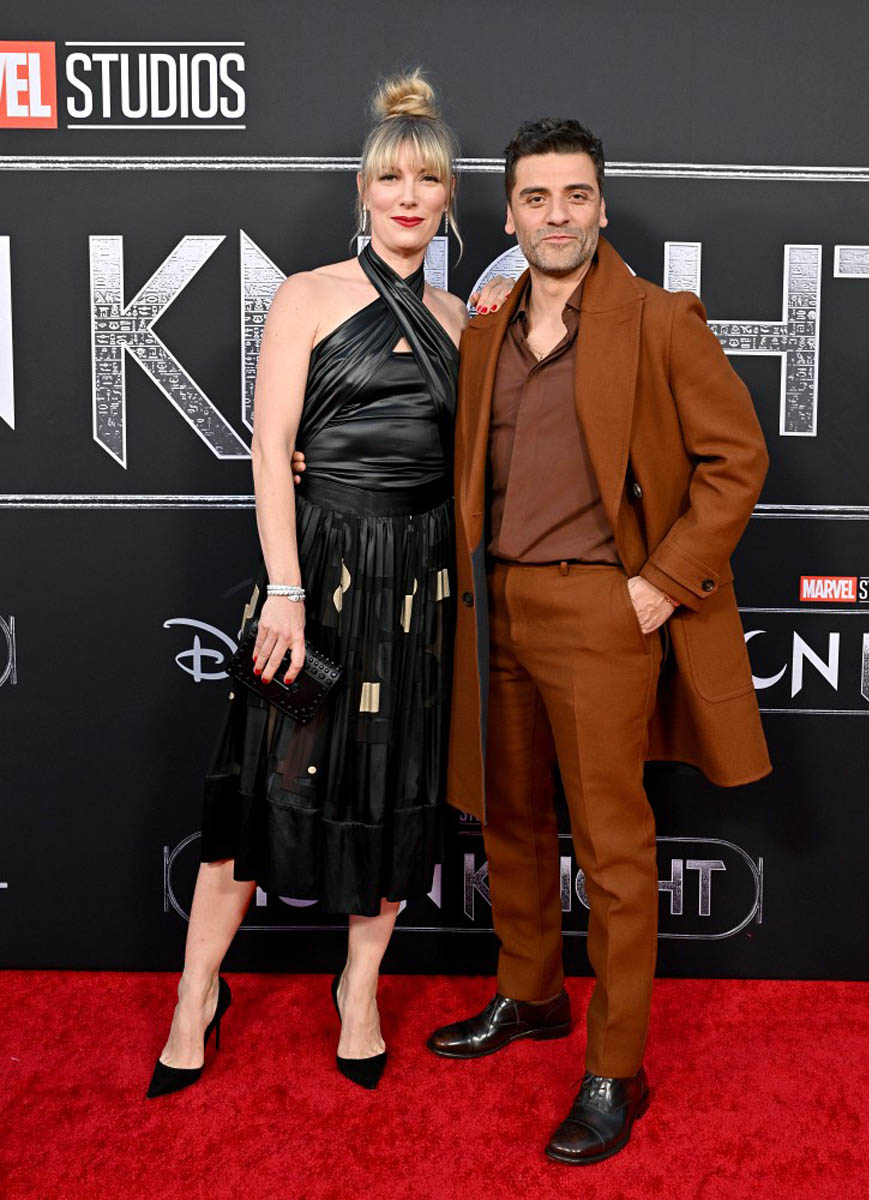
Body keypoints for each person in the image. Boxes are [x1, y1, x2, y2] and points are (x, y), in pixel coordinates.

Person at [146, 69, 509, 1098]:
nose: (408, 196)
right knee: (264, 784)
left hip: (417, 588)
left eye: (427, 180)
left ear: (448, 197)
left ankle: (359, 993)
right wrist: (286, 591)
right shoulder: (306, 295)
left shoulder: (461, 319)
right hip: (317, 579)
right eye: (391, 177)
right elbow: (271, 451)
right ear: (363, 189)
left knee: (395, 792)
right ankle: (195, 996)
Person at [425, 118, 772, 1165]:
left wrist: (659, 585)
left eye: (575, 195)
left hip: (601, 614)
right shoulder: (486, 329)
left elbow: (736, 459)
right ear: (509, 215)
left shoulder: (659, 319)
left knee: (613, 850)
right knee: (509, 819)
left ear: (602, 206)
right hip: (495, 609)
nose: (557, 215)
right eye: (536, 198)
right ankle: (529, 992)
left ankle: (616, 1066)